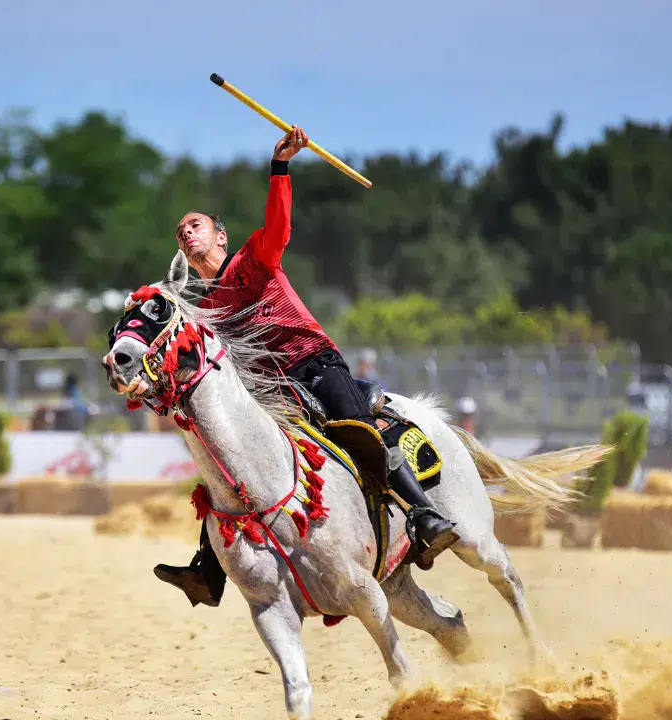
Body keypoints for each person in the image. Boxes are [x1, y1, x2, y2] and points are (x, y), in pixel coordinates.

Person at [153, 127, 460, 607]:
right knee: (230, 468)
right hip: (271, 394)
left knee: (358, 428)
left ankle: (423, 515)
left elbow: (279, 227)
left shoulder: (254, 257)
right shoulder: (204, 310)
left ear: (220, 234)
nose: (185, 233)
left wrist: (280, 168)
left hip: (314, 364)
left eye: (194, 224)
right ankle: (207, 572)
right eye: (180, 232)